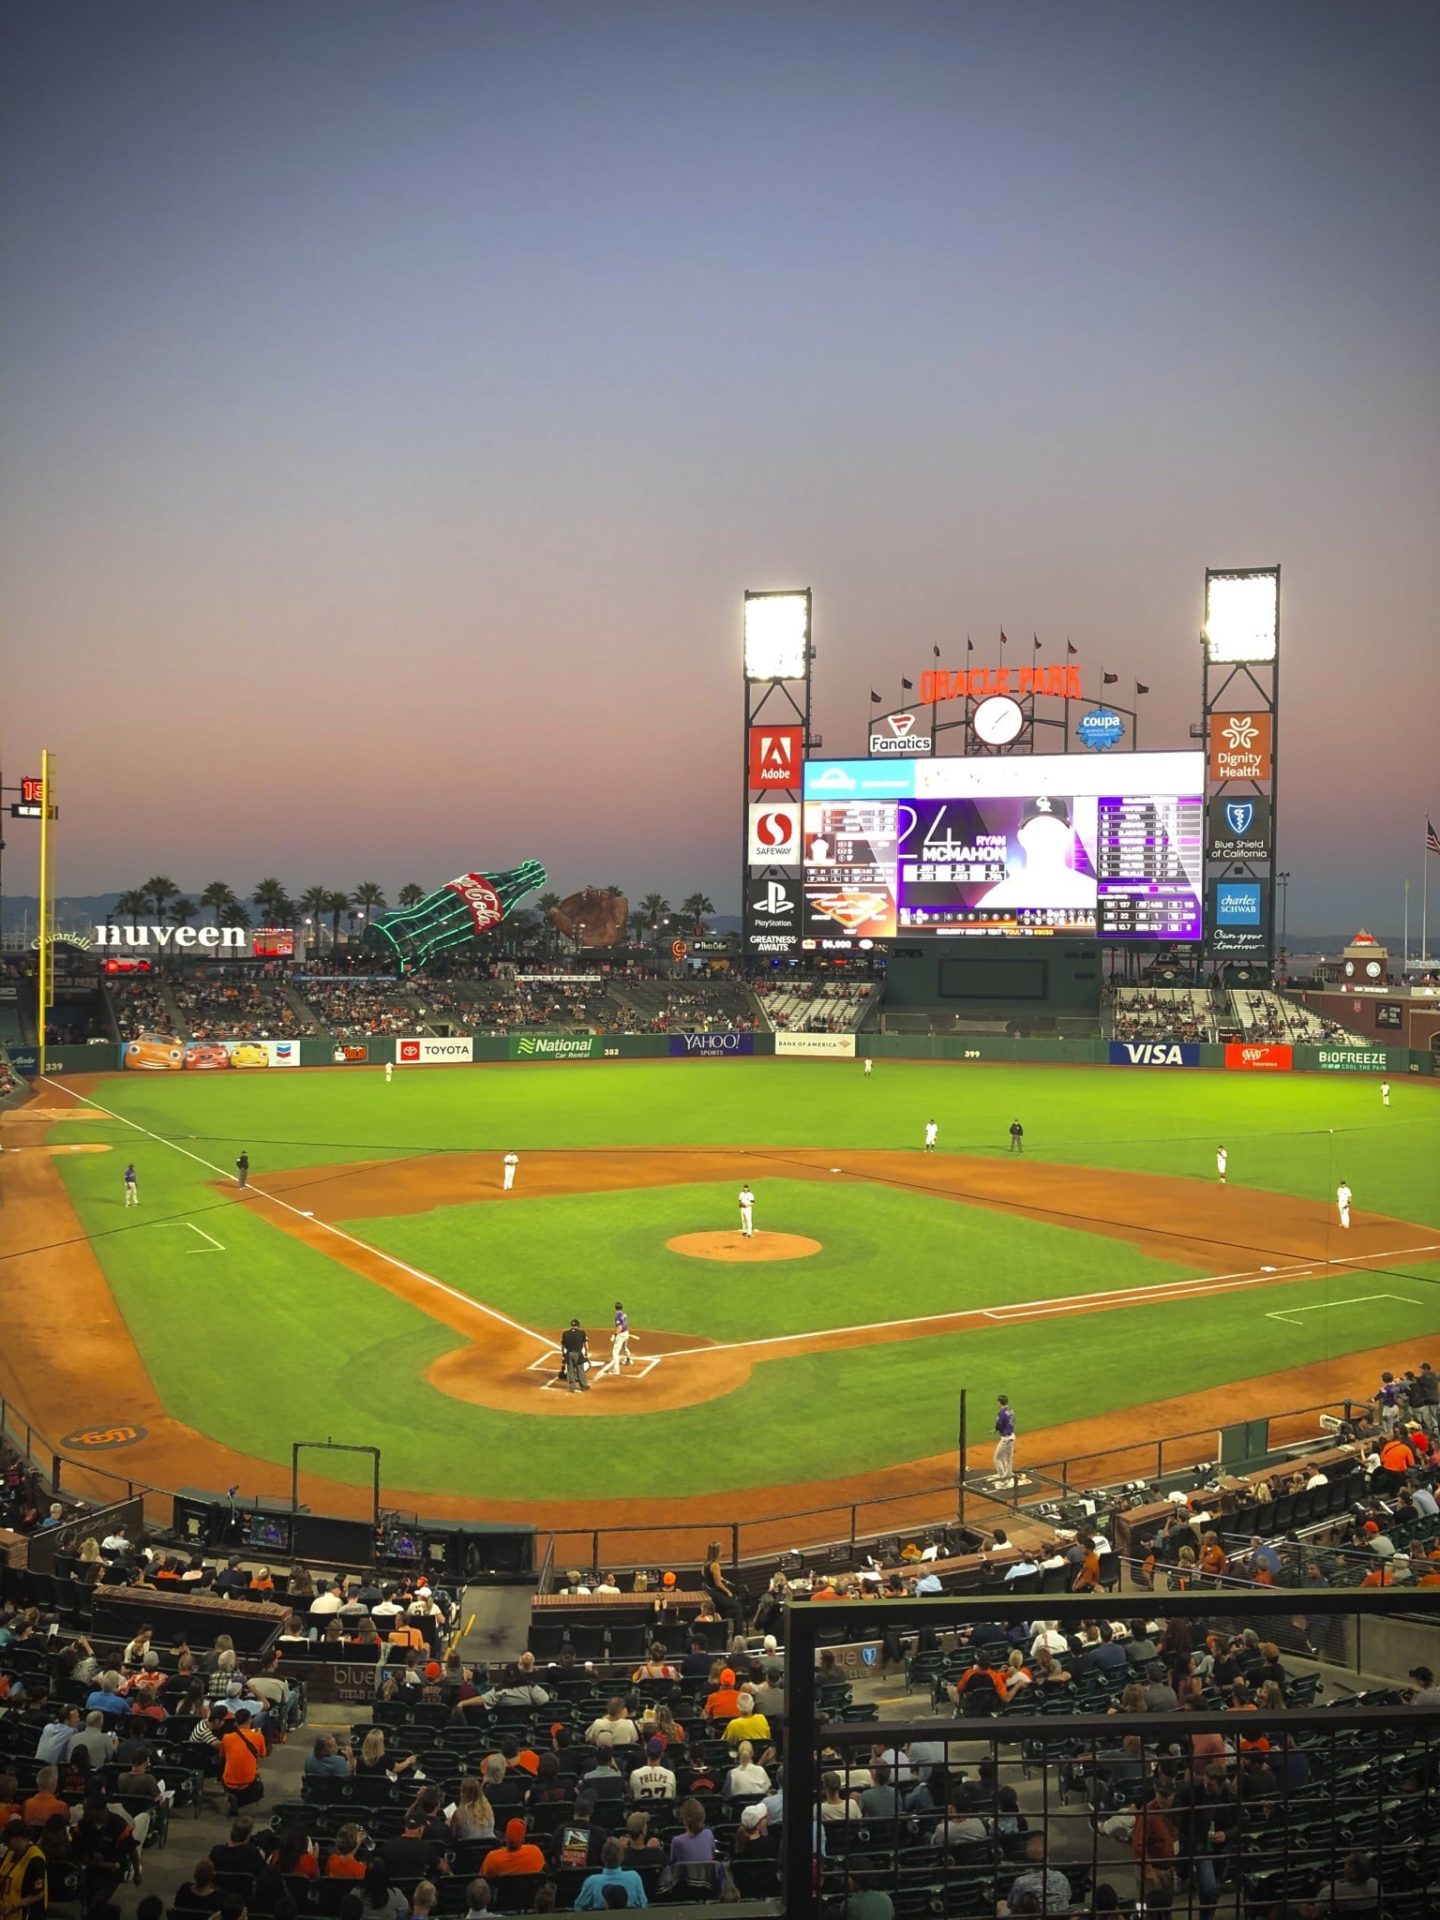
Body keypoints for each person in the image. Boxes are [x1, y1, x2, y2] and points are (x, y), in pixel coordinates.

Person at [573, 1838, 648, 1910]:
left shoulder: (591, 1881)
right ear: (622, 1857)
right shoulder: (634, 1877)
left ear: (602, 1857)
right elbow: (643, 1904)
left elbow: (578, 1907)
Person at [595, 1304, 633, 1379]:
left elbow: (619, 1328)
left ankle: (616, 1370)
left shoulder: (618, 1316)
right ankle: (629, 1360)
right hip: (626, 1333)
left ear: (615, 1308)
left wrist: (614, 1335)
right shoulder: (624, 1314)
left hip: (621, 1335)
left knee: (615, 1352)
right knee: (624, 1346)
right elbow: (625, 1325)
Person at [560, 1320, 591, 1393]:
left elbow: (563, 1346)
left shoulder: (565, 1333)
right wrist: (586, 1353)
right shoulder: (582, 1333)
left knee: (570, 1370)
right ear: (578, 1325)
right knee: (580, 1370)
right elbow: (586, 1345)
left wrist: (563, 1355)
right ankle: (583, 1386)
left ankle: (572, 1388)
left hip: (569, 1354)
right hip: (578, 1354)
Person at [993, 1394, 1016, 1486]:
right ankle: (1008, 1476)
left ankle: (1003, 1479)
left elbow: (999, 1425)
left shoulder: (1001, 1413)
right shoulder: (1011, 1411)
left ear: (1000, 1402)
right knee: (1009, 1459)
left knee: (997, 1458)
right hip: (1012, 1436)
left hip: (1005, 1439)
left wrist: (996, 1429)